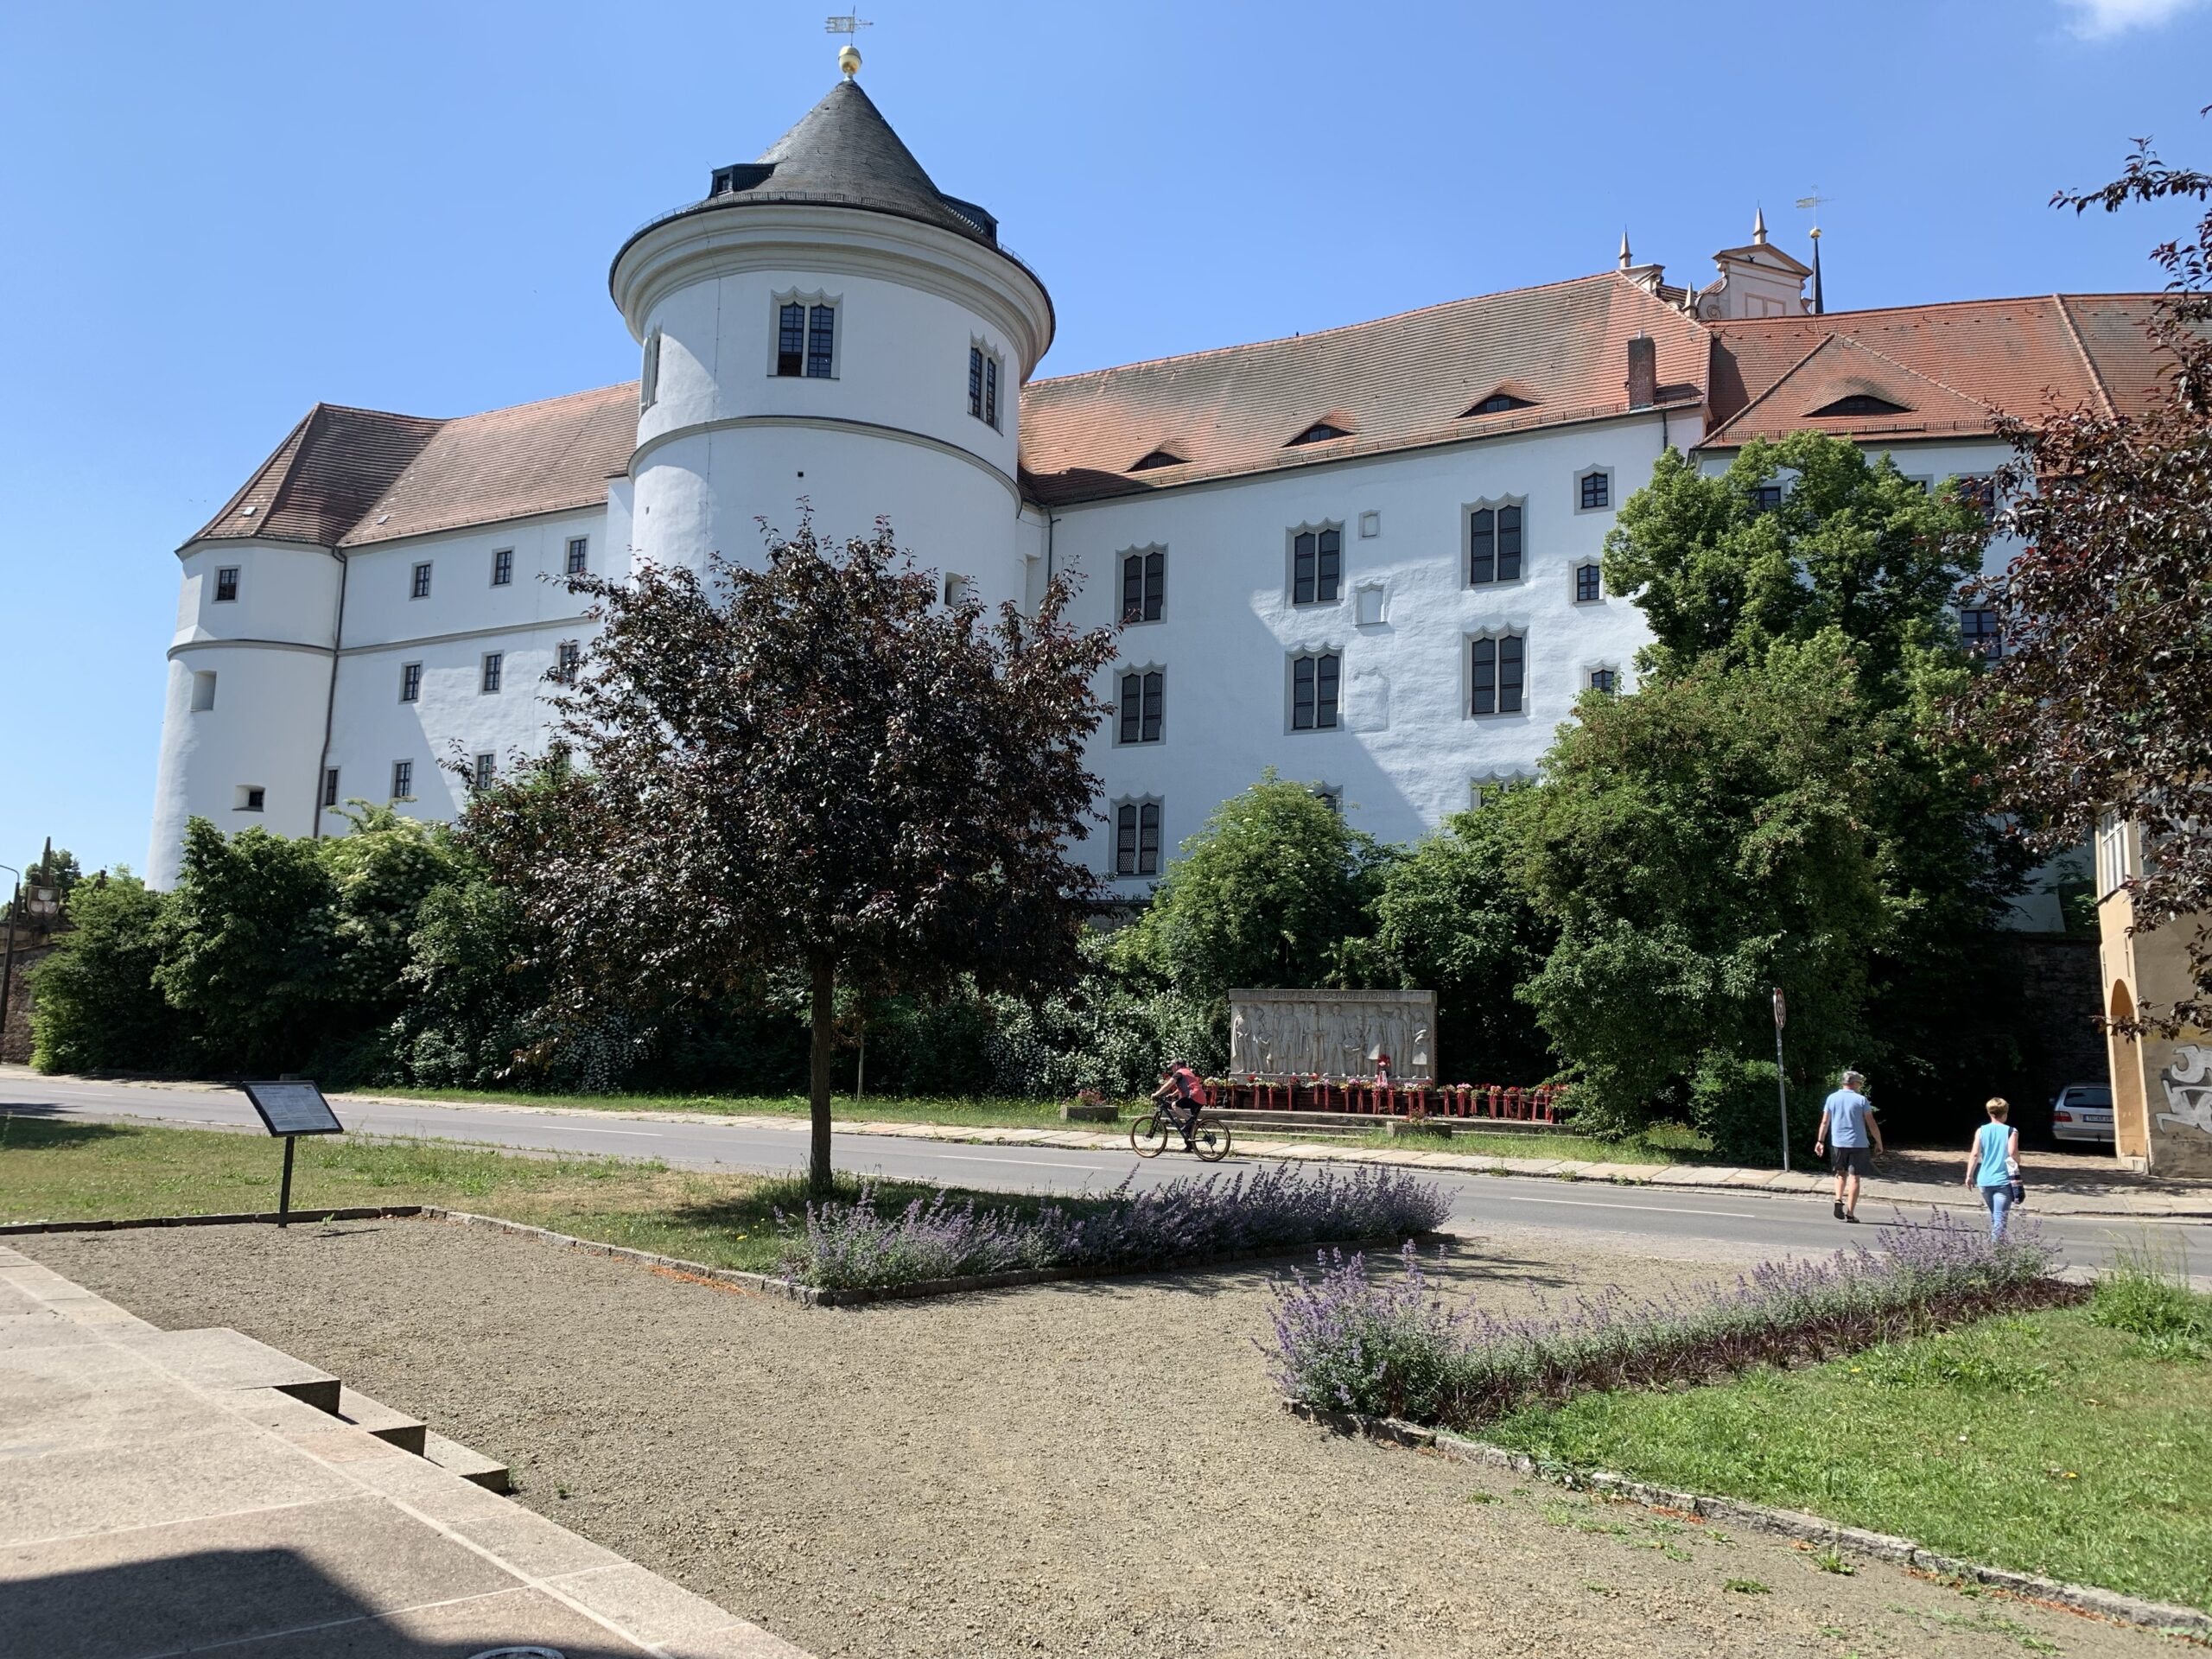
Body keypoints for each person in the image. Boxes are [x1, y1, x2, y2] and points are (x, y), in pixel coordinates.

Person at [1812, 1068, 1883, 1224]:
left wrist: (1820, 1141)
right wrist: (1878, 1141)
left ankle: (1838, 1199)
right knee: (1855, 1178)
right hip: (1858, 1144)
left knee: (1840, 1173)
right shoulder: (1861, 1100)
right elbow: (1871, 1123)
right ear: (1855, 1083)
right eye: (1860, 1083)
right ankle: (1850, 1213)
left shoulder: (1832, 1098)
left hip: (1838, 1143)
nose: (1860, 1085)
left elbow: (1825, 1122)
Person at [1964, 1096, 2020, 1239]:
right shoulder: (2011, 1131)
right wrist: (2018, 1163)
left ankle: (1999, 1248)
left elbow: (1975, 1154)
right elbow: (2012, 1153)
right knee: (2000, 1220)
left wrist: (1969, 1176)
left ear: (1990, 1113)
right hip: (2003, 1181)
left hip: (1984, 1180)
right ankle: (1996, 1255)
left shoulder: (1981, 1131)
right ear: (2005, 1113)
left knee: (1996, 1217)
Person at [1150, 1061, 1211, 1147]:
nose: (1171, 1069)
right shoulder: (1187, 1072)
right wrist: (1172, 1095)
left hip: (1193, 1096)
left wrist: (1157, 1094)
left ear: (1177, 1065)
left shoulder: (1179, 1073)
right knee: (1191, 1126)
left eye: (1172, 1066)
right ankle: (1189, 1145)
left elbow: (1168, 1084)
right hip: (1199, 1098)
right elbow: (1185, 1087)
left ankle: (1189, 1121)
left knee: (1175, 1105)